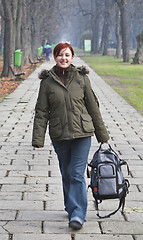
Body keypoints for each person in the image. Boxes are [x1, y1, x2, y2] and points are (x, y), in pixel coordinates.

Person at [32, 42, 109, 230]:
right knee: (66, 172)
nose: (63, 58)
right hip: (60, 134)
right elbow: (41, 111)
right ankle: (71, 204)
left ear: (72, 57)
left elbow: (93, 107)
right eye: (60, 55)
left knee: (76, 173)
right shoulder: (47, 82)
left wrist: (102, 134)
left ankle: (77, 213)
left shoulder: (82, 78)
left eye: (67, 55)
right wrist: (38, 139)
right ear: (55, 57)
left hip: (83, 133)